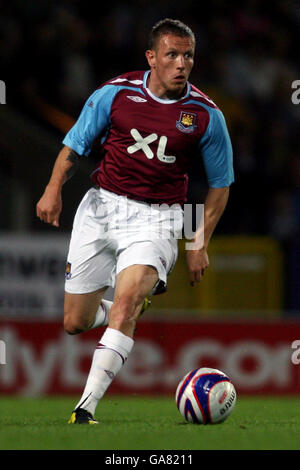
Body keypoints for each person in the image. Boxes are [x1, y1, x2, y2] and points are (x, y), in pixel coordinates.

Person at [36, 18, 234, 424]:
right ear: (151, 57)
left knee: (125, 306)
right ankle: (120, 314)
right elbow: (74, 145)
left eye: (188, 56)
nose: (182, 63)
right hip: (101, 208)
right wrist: (52, 189)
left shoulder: (205, 115)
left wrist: (198, 243)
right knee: (74, 322)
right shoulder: (115, 94)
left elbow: (219, 186)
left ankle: (84, 409)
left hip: (158, 219)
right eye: (172, 55)